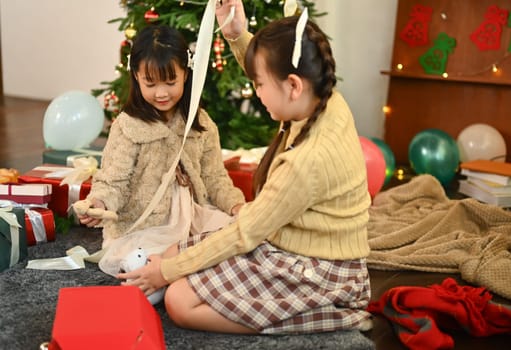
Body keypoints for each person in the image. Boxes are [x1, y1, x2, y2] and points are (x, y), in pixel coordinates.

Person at [119, 0, 372, 334]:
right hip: (286, 239)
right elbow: (273, 67)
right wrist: (238, 36)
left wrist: (166, 272)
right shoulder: (322, 94)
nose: (257, 91)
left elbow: (244, 234)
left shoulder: (306, 161)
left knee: (179, 301)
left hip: (317, 267)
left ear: (293, 86)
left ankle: (316, 315)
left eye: (259, 86)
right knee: (171, 253)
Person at [75, 24, 245, 275]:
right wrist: (99, 203)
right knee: (143, 261)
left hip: (193, 217)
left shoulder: (201, 124)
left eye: (170, 81)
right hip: (144, 225)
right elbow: (113, 181)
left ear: (185, 75)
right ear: (136, 76)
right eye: (151, 83)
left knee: (237, 242)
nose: (161, 93)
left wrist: (236, 206)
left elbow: (214, 177)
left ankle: (180, 270)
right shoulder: (127, 127)